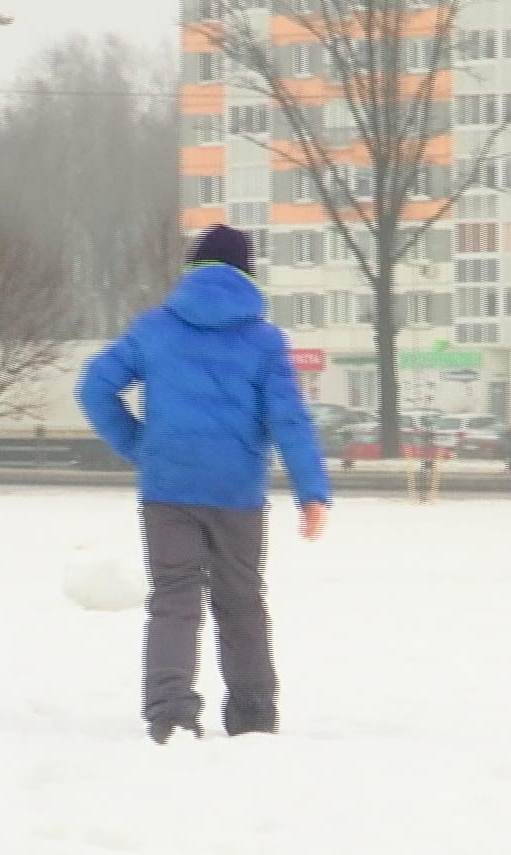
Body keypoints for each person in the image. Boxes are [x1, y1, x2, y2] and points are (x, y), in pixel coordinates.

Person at [76, 223, 330, 745]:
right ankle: (254, 716)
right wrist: (311, 491)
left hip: (167, 487)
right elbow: (289, 420)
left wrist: (138, 446)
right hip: (237, 491)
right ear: (247, 274)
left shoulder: (154, 330)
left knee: (174, 600)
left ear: (192, 270)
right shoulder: (264, 341)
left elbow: (94, 387)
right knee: (241, 601)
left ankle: (171, 714)